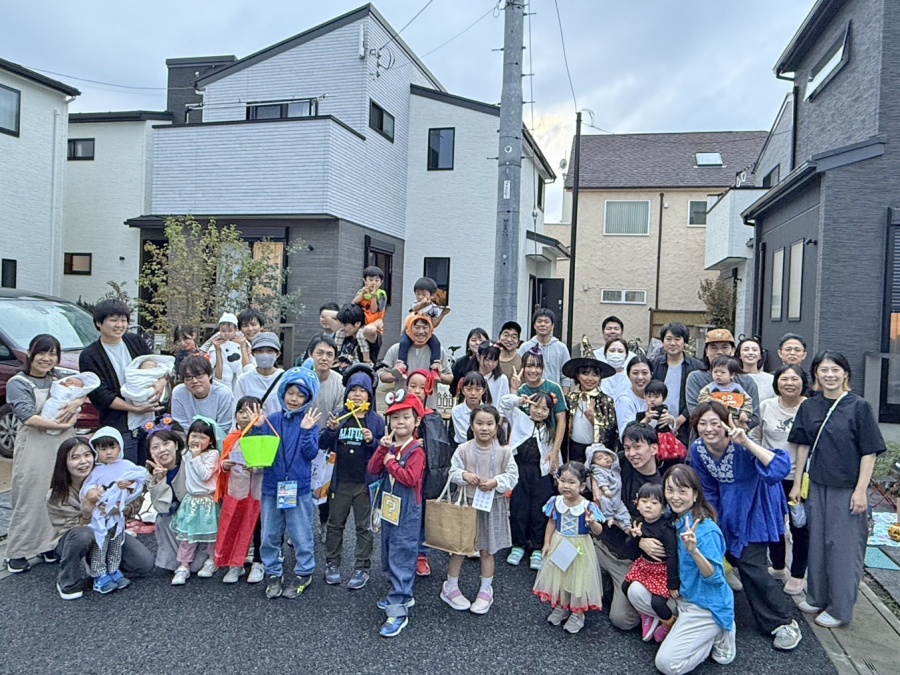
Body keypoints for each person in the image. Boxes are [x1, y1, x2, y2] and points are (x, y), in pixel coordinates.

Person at [691, 401, 802, 650]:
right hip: (725, 507)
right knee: (725, 552)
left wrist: (747, 443)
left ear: (726, 423)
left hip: (755, 506)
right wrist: (712, 519)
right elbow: (707, 487)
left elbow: (779, 469)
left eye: (715, 423)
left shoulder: (741, 444)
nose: (709, 429)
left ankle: (782, 622)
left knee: (752, 564)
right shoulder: (698, 449)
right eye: (703, 423)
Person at [790, 351, 885, 628]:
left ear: (845, 373)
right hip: (816, 485)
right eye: (823, 370)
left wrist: (861, 490)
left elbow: (869, 452)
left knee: (843, 548)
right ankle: (817, 596)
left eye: (835, 369)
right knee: (817, 544)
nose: (829, 375)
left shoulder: (859, 406)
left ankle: (840, 609)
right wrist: (796, 483)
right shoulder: (809, 406)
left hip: (846, 487)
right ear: (816, 374)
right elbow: (803, 446)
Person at [5, 334, 82, 573]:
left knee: (58, 494)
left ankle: (49, 545)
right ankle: (17, 551)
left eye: (52, 354)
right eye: (42, 352)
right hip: (35, 445)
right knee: (30, 496)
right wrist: (61, 424)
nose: (47, 358)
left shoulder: (59, 379)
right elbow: (27, 416)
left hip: (62, 445)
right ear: (30, 353)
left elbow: (85, 387)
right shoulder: (18, 383)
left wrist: (75, 403)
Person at [652, 465, 736, 674]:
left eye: (682, 491)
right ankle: (688, 633)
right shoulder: (673, 517)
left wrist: (694, 551)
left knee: (666, 664)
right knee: (637, 593)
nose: (675, 497)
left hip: (706, 606)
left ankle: (717, 633)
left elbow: (716, 578)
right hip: (683, 596)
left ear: (695, 494)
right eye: (670, 490)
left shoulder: (706, 530)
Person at [47, 437, 154, 600]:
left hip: (109, 532)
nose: (83, 462)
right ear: (64, 462)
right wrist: (87, 513)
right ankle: (68, 581)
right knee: (85, 534)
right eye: (75, 457)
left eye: (87, 455)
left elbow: (135, 501)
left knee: (144, 564)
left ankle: (109, 570)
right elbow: (70, 529)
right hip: (73, 540)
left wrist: (121, 508)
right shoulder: (57, 495)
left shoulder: (107, 473)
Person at [251, 365, 322, 600]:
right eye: (290, 392)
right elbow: (260, 453)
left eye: (300, 395)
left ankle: (304, 572)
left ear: (307, 399)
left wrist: (306, 431)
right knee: (269, 534)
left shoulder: (310, 422)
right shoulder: (271, 420)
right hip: (272, 487)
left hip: (299, 488)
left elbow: (311, 453)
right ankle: (273, 572)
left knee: (301, 533)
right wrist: (257, 429)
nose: (294, 398)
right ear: (283, 393)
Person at [442, 405, 518, 615]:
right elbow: (453, 471)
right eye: (479, 423)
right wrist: (464, 475)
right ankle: (450, 586)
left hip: (492, 504)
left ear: (497, 426)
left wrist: (496, 481)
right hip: (466, 504)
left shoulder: (505, 451)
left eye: (489, 424)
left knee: (487, 549)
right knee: (460, 547)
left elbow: (513, 476)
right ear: (472, 426)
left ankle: (486, 590)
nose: (484, 428)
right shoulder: (463, 449)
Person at [367, 390, 428, 638]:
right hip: (390, 508)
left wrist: (390, 462)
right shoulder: (392, 446)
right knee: (389, 549)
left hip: (408, 511)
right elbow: (373, 469)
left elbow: (410, 478)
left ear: (417, 421)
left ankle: (398, 609)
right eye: (394, 418)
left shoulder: (417, 451)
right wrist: (383, 450)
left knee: (402, 553)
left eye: (406, 417)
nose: (400, 422)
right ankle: (400, 592)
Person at [320, 365, 384, 590]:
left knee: (364, 527)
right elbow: (322, 444)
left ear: (370, 395)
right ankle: (332, 563)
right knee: (335, 524)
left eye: (362, 390)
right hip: (340, 482)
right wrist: (331, 430)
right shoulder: (339, 416)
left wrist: (372, 441)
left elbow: (383, 451)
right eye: (353, 390)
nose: (357, 395)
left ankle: (362, 567)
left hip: (365, 483)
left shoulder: (376, 421)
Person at [593, 423, 662, 631]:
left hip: (627, 561)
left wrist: (639, 539)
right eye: (627, 447)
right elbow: (592, 463)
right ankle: (606, 587)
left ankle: (625, 593)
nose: (631, 453)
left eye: (637, 447)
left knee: (622, 620)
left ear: (654, 448)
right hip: (600, 544)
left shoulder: (658, 488)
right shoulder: (620, 460)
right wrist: (595, 483)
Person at [79, 299, 162, 461]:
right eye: (113, 320)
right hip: (119, 424)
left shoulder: (135, 341)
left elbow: (157, 366)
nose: (120, 325)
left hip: (149, 419)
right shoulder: (90, 355)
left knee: (151, 465)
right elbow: (100, 393)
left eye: (123, 320)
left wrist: (161, 383)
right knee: (126, 467)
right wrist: (134, 409)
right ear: (98, 323)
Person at [751, 364, 808, 596]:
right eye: (784, 379)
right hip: (770, 477)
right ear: (777, 383)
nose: (789, 383)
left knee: (799, 526)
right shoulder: (766, 406)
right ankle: (777, 566)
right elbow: (755, 435)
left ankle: (797, 574)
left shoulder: (809, 408)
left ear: (803, 382)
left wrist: (798, 483)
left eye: (795, 379)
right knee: (773, 522)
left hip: (799, 476)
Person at [532, 461, 605, 635]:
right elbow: (552, 522)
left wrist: (592, 523)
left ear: (582, 486)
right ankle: (562, 606)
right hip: (560, 543)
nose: (566, 486)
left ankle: (577, 613)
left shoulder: (587, 507)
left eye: (572, 482)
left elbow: (599, 531)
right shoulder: (556, 501)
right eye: (563, 481)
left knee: (578, 579)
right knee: (560, 576)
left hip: (580, 547)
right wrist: (547, 543)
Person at [79, 427, 146, 594]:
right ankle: (99, 574)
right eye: (102, 449)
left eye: (112, 447)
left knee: (116, 544)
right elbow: (87, 487)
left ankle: (114, 569)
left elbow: (141, 480)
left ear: (120, 447)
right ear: (96, 450)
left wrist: (129, 484)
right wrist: (92, 493)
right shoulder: (96, 471)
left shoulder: (127, 466)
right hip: (100, 517)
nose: (108, 452)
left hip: (118, 517)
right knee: (100, 545)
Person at [498, 392, 557, 570]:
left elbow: (554, 454)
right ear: (529, 406)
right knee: (519, 507)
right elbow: (504, 403)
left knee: (539, 510)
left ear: (550, 412)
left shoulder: (550, 430)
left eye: (544, 409)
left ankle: (537, 548)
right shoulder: (519, 417)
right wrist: (520, 400)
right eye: (536, 406)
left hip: (541, 474)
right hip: (520, 469)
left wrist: (556, 475)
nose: (539, 411)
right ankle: (518, 545)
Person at [146, 420, 212, 575]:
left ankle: (205, 556)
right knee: (162, 520)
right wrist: (160, 480)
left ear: (176, 445)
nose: (162, 450)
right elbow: (161, 508)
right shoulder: (151, 472)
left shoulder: (189, 461)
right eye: (155, 447)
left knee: (196, 566)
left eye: (166, 444)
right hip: (174, 517)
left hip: (198, 515)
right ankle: (176, 560)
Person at [404, 369, 453, 577]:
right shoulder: (399, 412)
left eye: (422, 387)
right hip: (403, 473)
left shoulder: (433, 417)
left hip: (425, 476)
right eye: (412, 386)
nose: (417, 391)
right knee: (404, 514)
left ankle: (421, 555)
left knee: (424, 514)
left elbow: (440, 447)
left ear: (429, 390)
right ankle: (403, 553)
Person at [214, 397, 265, 584]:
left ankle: (258, 561)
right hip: (236, 491)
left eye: (251, 412)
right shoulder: (232, 437)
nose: (245, 416)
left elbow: (269, 462)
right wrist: (224, 464)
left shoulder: (263, 437)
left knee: (258, 527)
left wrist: (257, 467)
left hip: (258, 492)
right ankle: (235, 563)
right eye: (241, 411)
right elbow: (222, 460)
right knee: (235, 525)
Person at [622, 483, 679, 643]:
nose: (648, 506)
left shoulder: (665, 529)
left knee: (658, 602)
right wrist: (634, 537)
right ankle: (645, 614)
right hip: (644, 566)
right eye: (644, 501)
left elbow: (672, 556)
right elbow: (630, 549)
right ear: (637, 504)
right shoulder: (638, 522)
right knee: (625, 586)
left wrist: (673, 583)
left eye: (654, 503)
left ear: (663, 509)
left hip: (661, 570)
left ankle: (668, 624)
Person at [169, 417, 222, 585]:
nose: (196, 440)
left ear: (211, 441)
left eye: (202, 437)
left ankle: (212, 561)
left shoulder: (213, 454)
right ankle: (183, 565)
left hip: (207, 500)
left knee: (211, 536)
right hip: (191, 500)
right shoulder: (186, 453)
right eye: (194, 436)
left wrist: (197, 457)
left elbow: (204, 475)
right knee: (188, 536)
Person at [685, 328, 760, 428]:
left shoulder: (746, 381)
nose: (719, 352)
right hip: (705, 434)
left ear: (733, 351)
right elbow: (694, 413)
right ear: (706, 351)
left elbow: (755, 417)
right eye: (714, 348)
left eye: (724, 347)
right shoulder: (696, 378)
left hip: (737, 436)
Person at [511, 349, 568, 472]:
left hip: (548, 445)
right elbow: (513, 418)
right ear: (523, 367)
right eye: (529, 366)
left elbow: (562, 421)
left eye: (537, 366)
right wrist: (514, 390)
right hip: (524, 451)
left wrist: (555, 451)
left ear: (543, 368)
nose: (533, 371)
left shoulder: (553, 388)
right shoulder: (521, 391)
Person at [650, 322, 704, 446]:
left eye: (677, 339)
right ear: (663, 341)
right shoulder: (654, 365)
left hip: (686, 425)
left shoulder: (696, 367)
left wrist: (680, 419)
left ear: (685, 342)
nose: (672, 343)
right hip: (659, 423)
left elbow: (698, 396)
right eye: (668, 339)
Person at [380, 320, 453, 410]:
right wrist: (395, 374)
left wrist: (438, 375)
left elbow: (449, 378)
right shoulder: (396, 349)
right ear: (409, 329)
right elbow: (383, 376)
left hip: (429, 407)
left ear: (430, 329)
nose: (421, 331)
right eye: (417, 327)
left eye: (425, 327)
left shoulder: (438, 351)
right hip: (402, 407)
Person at [120, 354, 174, 465]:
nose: (150, 367)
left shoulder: (137, 346)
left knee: (146, 457)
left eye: (152, 365)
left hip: (149, 415)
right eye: (147, 365)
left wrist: (162, 380)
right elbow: (132, 380)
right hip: (128, 415)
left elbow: (164, 372)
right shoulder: (135, 373)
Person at [562, 355, 618, 463]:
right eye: (585, 373)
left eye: (595, 374)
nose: (590, 379)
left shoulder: (606, 401)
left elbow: (612, 433)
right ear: (578, 376)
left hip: (597, 453)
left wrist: (594, 420)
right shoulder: (570, 398)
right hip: (573, 450)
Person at [395, 277, 450, 376]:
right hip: (410, 332)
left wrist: (442, 314)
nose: (420, 296)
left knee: (436, 344)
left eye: (423, 294)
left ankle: (435, 366)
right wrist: (422, 304)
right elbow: (415, 308)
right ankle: (402, 366)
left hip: (426, 334)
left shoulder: (434, 308)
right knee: (404, 343)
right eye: (418, 294)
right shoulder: (415, 304)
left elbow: (433, 325)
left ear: (432, 295)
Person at [171, 355, 234, 437]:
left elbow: (224, 428)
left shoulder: (224, 394)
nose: (194, 381)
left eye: (199, 375)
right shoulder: (179, 393)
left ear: (210, 375)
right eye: (188, 377)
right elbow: (181, 425)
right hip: (189, 439)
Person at [517, 309, 572, 391]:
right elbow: (520, 373)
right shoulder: (525, 347)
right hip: (529, 394)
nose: (542, 324)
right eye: (539, 321)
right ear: (534, 325)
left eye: (546, 322)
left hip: (554, 394)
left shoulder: (561, 348)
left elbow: (566, 376)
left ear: (552, 326)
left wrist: (564, 395)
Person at [233, 332, 285, 419]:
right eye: (260, 351)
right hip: (251, 427)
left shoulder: (285, 379)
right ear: (253, 354)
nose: (264, 355)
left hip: (277, 427)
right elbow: (237, 410)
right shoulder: (244, 380)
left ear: (278, 354)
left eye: (269, 351)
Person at [643, 381, 687, 471]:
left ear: (664, 397)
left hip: (664, 441)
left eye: (656, 397)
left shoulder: (662, 410)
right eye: (649, 396)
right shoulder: (644, 411)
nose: (652, 399)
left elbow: (671, 425)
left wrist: (670, 420)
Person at [586, 443, 631, 530]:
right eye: (600, 458)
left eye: (607, 455)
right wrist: (605, 489)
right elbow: (601, 480)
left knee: (623, 510)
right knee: (605, 502)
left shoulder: (615, 467)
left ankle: (628, 526)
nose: (605, 458)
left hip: (617, 498)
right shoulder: (598, 470)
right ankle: (609, 518)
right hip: (607, 495)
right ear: (593, 462)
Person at [698, 356, 753, 424]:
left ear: (732, 375)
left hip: (735, 419)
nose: (718, 374)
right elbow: (702, 399)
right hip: (716, 419)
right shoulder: (709, 388)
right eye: (715, 372)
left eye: (723, 372)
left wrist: (745, 412)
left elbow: (748, 401)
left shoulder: (738, 389)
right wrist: (716, 402)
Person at [352, 265, 388, 359]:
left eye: (377, 280)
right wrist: (363, 293)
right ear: (365, 281)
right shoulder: (361, 291)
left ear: (381, 282)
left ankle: (367, 360)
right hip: (363, 322)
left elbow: (373, 310)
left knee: (361, 335)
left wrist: (374, 296)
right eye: (370, 280)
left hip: (375, 323)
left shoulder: (381, 294)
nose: (373, 283)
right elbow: (354, 303)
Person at [205, 312, 246, 391]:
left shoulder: (241, 340)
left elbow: (248, 352)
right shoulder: (217, 343)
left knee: (241, 378)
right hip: (225, 367)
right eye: (223, 331)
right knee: (225, 377)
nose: (226, 334)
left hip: (239, 366)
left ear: (236, 330)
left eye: (230, 331)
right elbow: (212, 359)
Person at [614, 357, 653, 438]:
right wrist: (645, 421)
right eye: (635, 373)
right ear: (628, 375)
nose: (640, 377)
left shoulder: (655, 396)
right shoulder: (624, 400)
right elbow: (624, 435)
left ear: (651, 374)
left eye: (645, 373)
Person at [451, 372, 491, 445]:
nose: (473, 393)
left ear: (483, 390)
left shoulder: (489, 411)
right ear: (463, 390)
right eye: (468, 389)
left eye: (478, 390)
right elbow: (462, 436)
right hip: (462, 447)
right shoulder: (456, 410)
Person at [450, 327, 489, 395]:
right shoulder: (459, 364)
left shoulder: (491, 362)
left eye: (481, 340)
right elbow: (452, 387)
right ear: (468, 343)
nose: (477, 343)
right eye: (474, 340)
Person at [333, 303, 372, 368]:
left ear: (358, 323)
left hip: (360, 371)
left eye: (345, 325)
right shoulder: (342, 333)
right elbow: (324, 314)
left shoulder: (368, 337)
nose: (342, 328)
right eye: (341, 324)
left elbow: (371, 329)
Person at [738, 337, 775, 402]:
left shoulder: (771, 379)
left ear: (760, 356)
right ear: (739, 355)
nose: (750, 353)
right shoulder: (733, 378)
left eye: (754, 350)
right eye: (746, 350)